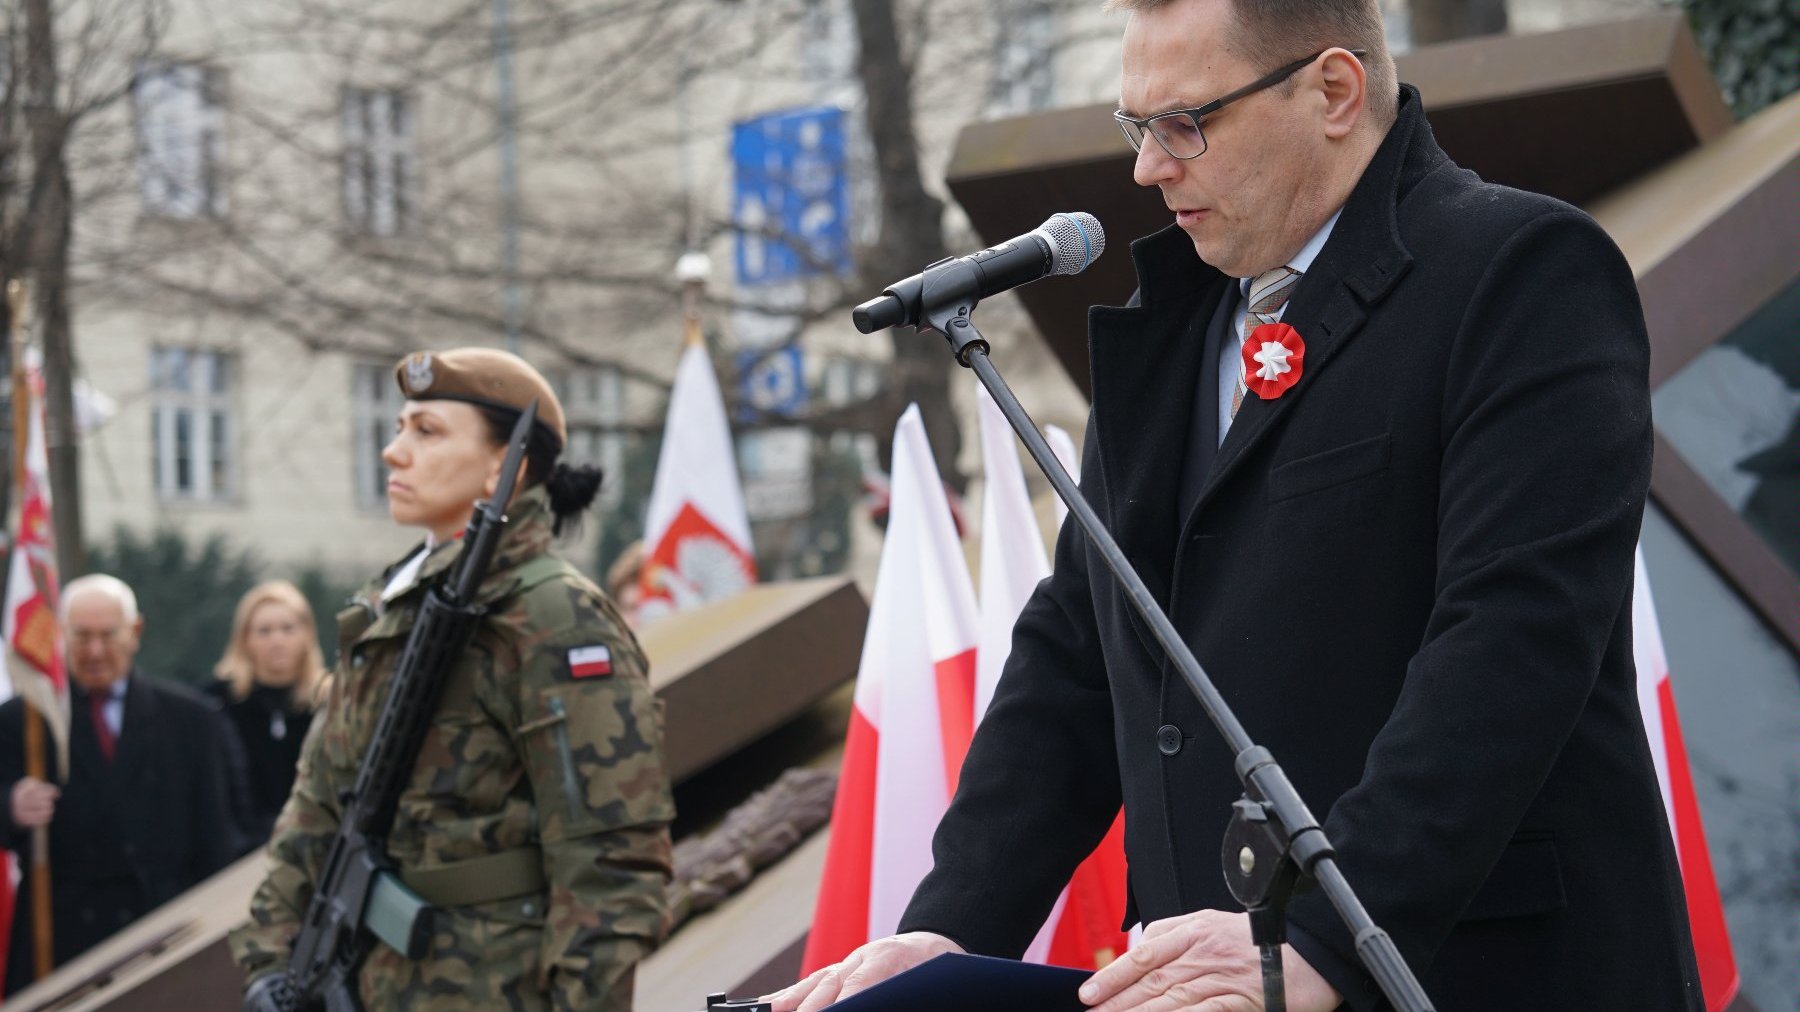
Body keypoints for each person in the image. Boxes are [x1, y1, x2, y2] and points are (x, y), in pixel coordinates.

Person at [770, 1, 1703, 1010]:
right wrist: (949, 929)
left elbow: (1516, 638)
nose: (1148, 168)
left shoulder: (1516, 273)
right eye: (1136, 128)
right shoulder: (1171, 329)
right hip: (1206, 980)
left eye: (1186, 122)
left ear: (1333, 92)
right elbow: (1080, 659)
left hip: (1470, 968)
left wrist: (1328, 937)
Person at [229, 348, 674, 1010]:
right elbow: (320, 802)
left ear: (507, 464)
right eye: (400, 426)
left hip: (496, 988)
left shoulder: (553, 615)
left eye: (426, 431)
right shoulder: (391, 610)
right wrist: (268, 961)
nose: (393, 451)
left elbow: (611, 859)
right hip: (378, 984)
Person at [0, 574, 242, 994]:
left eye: (107, 636)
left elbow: (217, 836)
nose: (94, 651)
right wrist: (10, 807)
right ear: (60, 633)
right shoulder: (23, 722)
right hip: (63, 941)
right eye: (81, 636)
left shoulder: (191, 720)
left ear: (135, 632)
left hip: (164, 935)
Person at [207, 580, 329, 845]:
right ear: (245, 638)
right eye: (264, 631)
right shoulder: (216, 704)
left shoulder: (331, 702)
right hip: (239, 850)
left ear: (307, 633)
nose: (277, 640)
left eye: (288, 628)